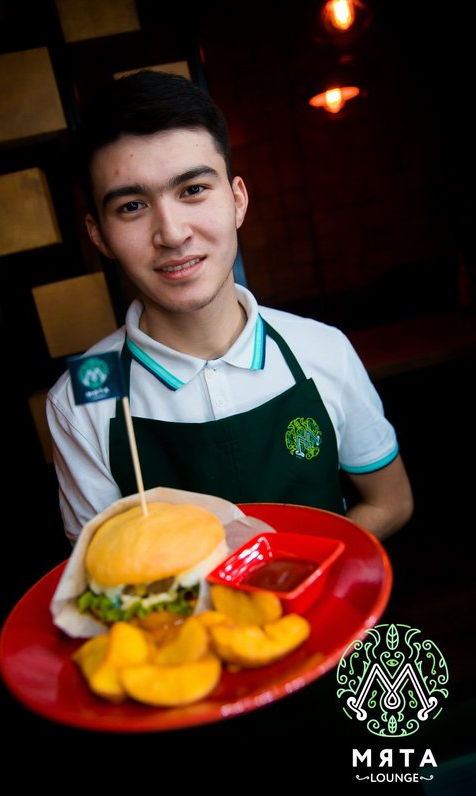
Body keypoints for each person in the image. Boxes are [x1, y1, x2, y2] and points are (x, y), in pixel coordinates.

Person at [46, 69, 413, 545]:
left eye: (193, 190)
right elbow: (99, 563)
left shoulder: (323, 349)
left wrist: (300, 568)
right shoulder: (81, 397)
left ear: (237, 200)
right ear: (99, 235)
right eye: (132, 206)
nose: (172, 233)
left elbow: (391, 501)